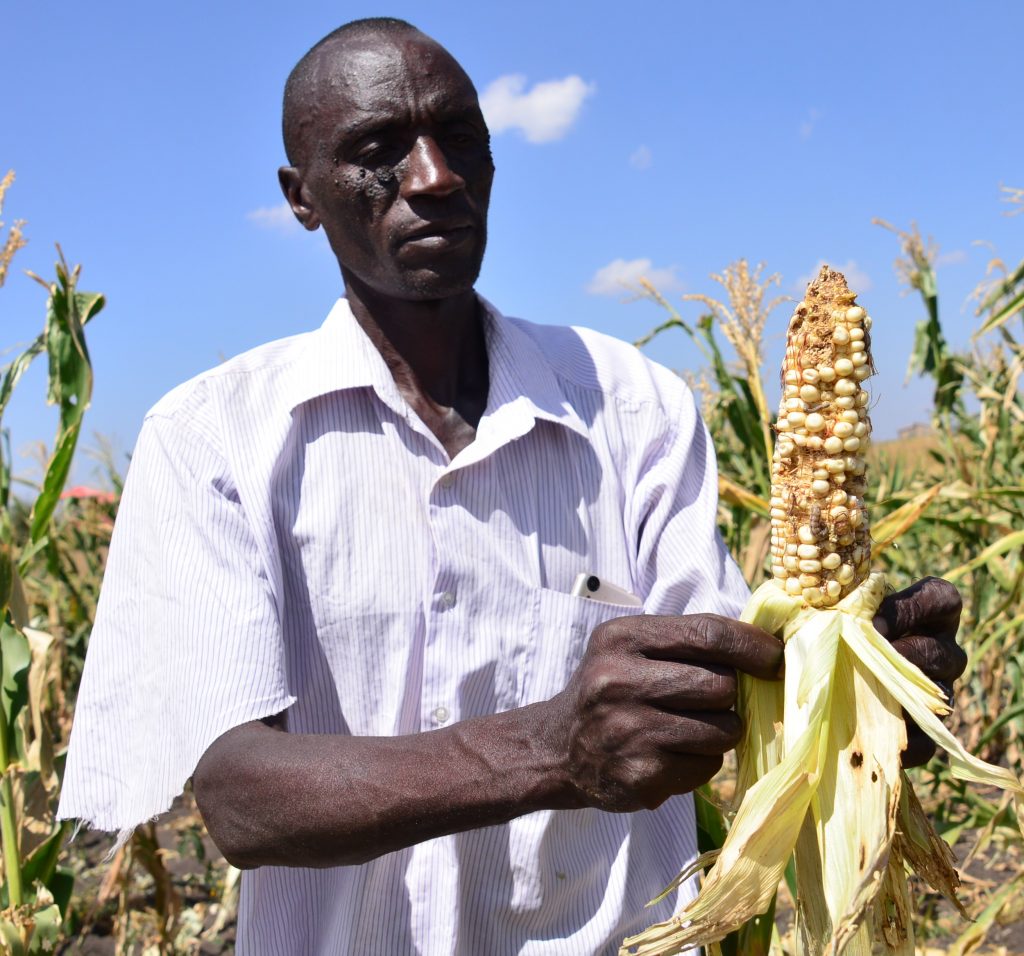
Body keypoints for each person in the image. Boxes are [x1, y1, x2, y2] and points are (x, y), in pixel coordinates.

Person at [58, 17, 967, 955]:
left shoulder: (634, 403)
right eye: (378, 152)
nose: (434, 176)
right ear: (301, 199)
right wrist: (549, 749)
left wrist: (854, 678)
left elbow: (719, 706)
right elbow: (242, 800)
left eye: (459, 137)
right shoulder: (213, 439)